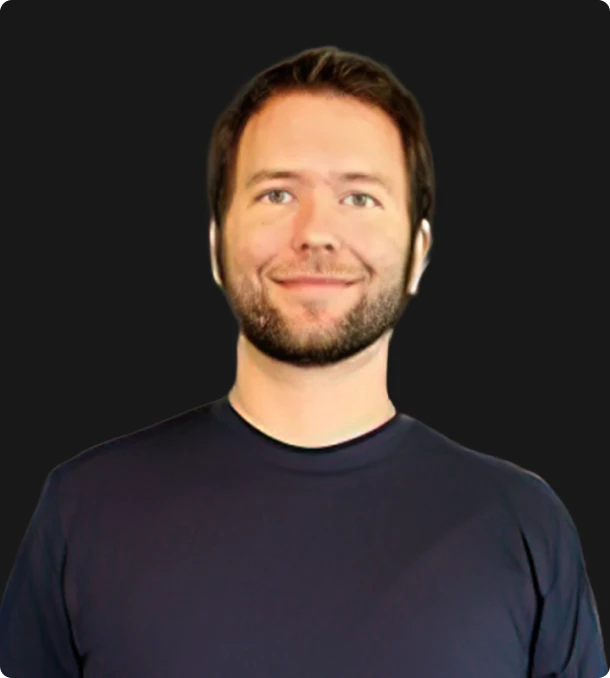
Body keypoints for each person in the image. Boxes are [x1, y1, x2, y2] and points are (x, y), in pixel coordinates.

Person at [0, 45, 606, 677]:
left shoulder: (522, 524)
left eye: (360, 198)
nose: (315, 232)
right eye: (277, 194)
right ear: (216, 244)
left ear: (419, 252)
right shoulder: (84, 508)